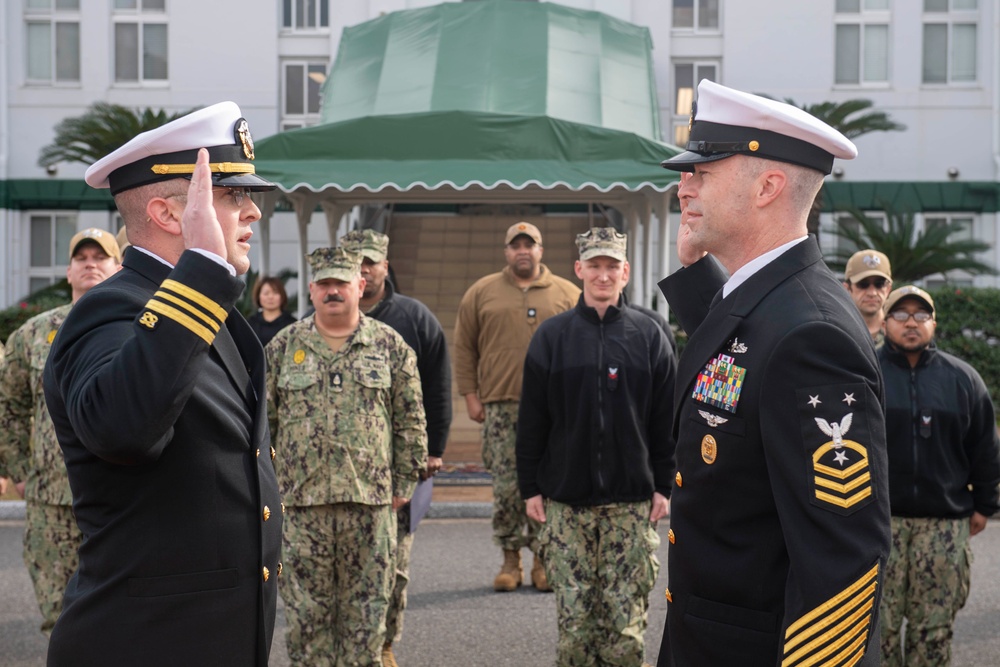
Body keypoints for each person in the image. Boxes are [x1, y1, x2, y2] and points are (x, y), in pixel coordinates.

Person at [654, 79, 890, 666]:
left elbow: (842, 565)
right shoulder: (772, 300)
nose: (682, 186)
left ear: (768, 185)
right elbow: (742, 350)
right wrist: (694, 273)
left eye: (701, 173)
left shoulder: (812, 337)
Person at [42, 102, 283, 666]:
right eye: (233, 196)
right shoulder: (109, 312)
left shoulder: (194, 309)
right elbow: (123, 429)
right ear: (169, 215)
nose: (254, 213)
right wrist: (201, 266)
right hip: (145, 643)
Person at [517, 227, 676, 667]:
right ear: (579, 269)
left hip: (631, 505)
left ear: (625, 272)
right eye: (595, 266)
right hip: (568, 507)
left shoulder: (650, 334)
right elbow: (532, 419)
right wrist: (530, 487)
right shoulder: (552, 337)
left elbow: (667, 420)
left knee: (625, 632)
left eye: (612, 267)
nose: (602, 275)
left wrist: (664, 485)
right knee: (575, 632)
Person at [265, 246, 427, 666]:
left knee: (366, 619)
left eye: (341, 282)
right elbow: (264, 427)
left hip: (371, 506)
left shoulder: (390, 346)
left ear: (361, 284)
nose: (333, 291)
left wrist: (404, 484)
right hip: (301, 508)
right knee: (306, 620)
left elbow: (410, 418)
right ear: (312, 289)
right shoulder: (283, 347)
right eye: (324, 283)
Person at [0, 228, 121, 636]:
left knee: (121, 616)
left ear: (117, 267)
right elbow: (7, 402)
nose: (90, 264)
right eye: (81, 258)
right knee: (60, 617)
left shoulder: (138, 326)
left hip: (118, 499)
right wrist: (18, 467)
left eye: (100, 257)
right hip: (51, 501)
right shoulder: (33, 335)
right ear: (68, 272)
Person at [338, 228, 451, 667]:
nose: (364, 268)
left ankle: (384, 643)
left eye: (371, 260)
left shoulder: (414, 318)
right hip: (340, 467)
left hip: (396, 465)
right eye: (356, 261)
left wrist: (433, 448)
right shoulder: (324, 319)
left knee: (393, 564)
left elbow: (438, 389)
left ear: (386, 265)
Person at [453, 221, 580, 592]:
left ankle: (543, 560)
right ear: (506, 251)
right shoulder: (482, 292)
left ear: (541, 250)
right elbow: (464, 348)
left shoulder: (567, 293)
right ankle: (511, 561)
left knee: (549, 484)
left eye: (530, 244)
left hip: (553, 411)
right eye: (516, 245)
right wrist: (471, 395)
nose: (523, 250)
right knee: (507, 488)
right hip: (501, 407)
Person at [878, 285, 1000, 666]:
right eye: (901, 315)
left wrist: (984, 503)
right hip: (881, 525)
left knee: (932, 635)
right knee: (876, 631)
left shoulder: (963, 379)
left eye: (920, 315)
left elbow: (985, 449)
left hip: (943, 527)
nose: (911, 323)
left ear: (934, 323)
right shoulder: (865, 373)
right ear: (885, 322)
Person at [843, 248, 893, 347]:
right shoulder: (838, 331)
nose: (872, 293)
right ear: (847, 289)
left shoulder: (899, 333)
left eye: (879, 284)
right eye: (863, 284)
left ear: (888, 289)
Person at [248, 275, 297, 346]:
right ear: (258, 296)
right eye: (266, 293)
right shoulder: (250, 324)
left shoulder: (292, 324)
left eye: (275, 292)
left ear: (282, 296)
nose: (270, 297)